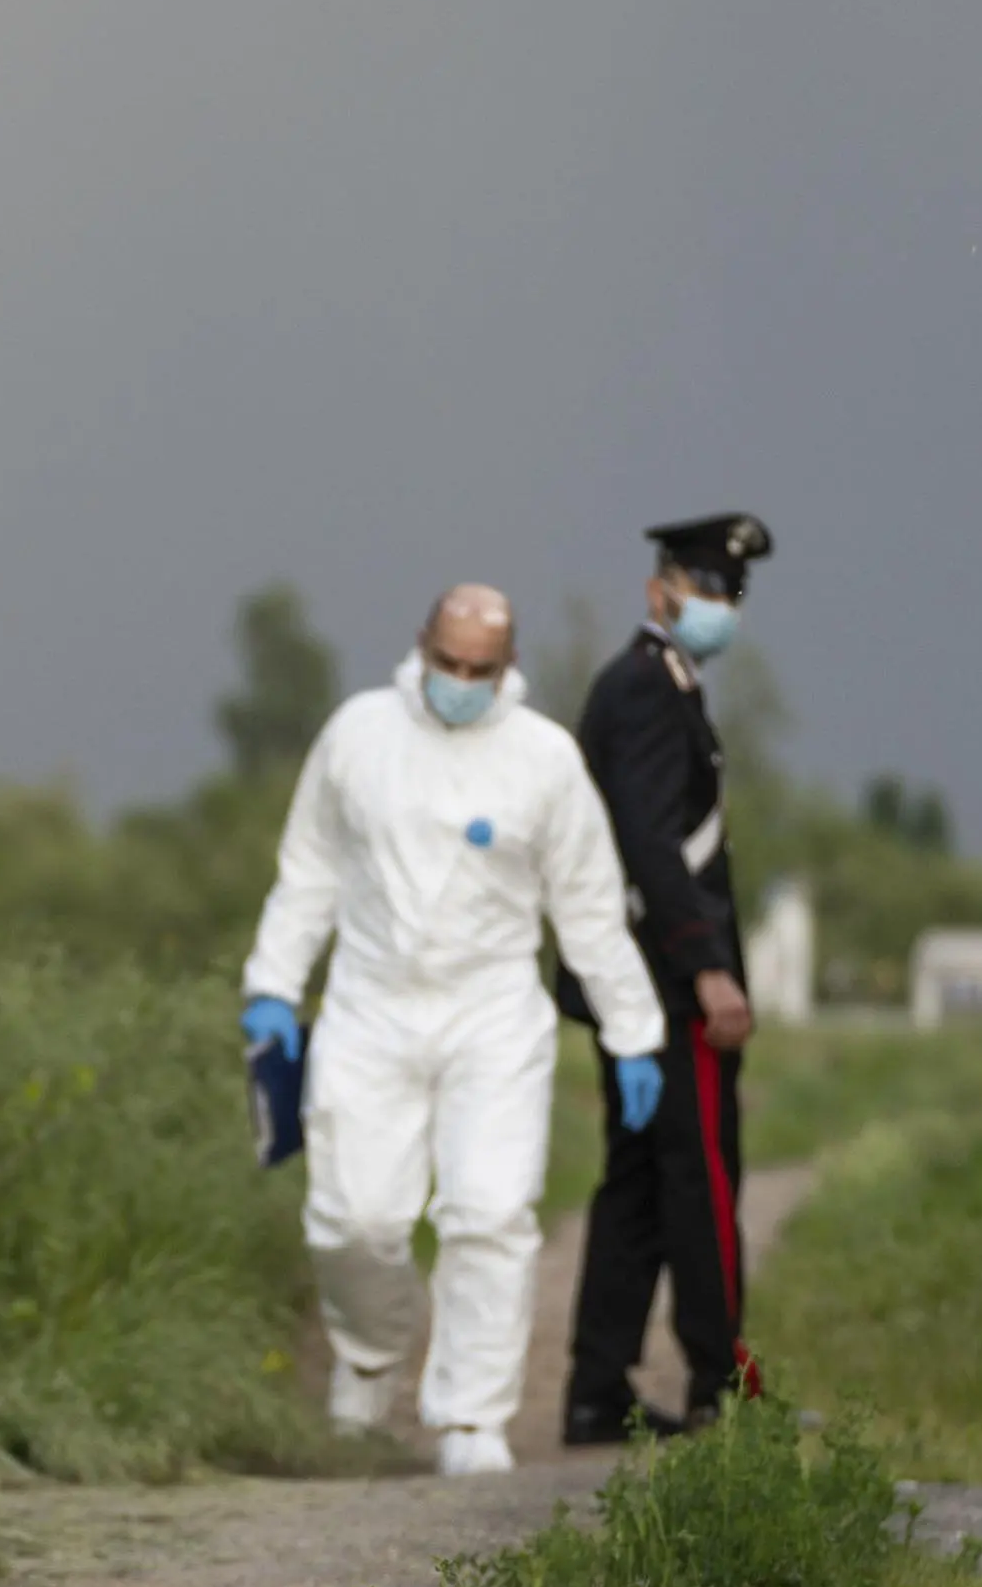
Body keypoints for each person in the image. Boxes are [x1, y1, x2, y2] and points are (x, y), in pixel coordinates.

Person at [240, 584, 665, 1476]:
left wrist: (634, 1029)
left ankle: (471, 1417)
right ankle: (368, 1357)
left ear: (507, 667)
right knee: (353, 1218)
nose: (462, 682)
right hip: (370, 1002)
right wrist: (273, 984)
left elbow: (588, 909)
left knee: (489, 1213)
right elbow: (308, 869)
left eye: (481, 669)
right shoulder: (358, 734)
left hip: (493, 1012)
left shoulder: (544, 760)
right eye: (449, 663)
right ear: (421, 647)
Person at [558, 512, 776, 1444]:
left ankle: (596, 1390)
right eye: (704, 587)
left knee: (641, 1182)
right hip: (665, 982)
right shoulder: (648, 689)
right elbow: (650, 843)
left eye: (731, 592)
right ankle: (722, 1380)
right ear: (660, 590)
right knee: (698, 1178)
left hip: (641, 980)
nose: (717, 605)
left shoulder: (661, 683)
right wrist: (709, 970)